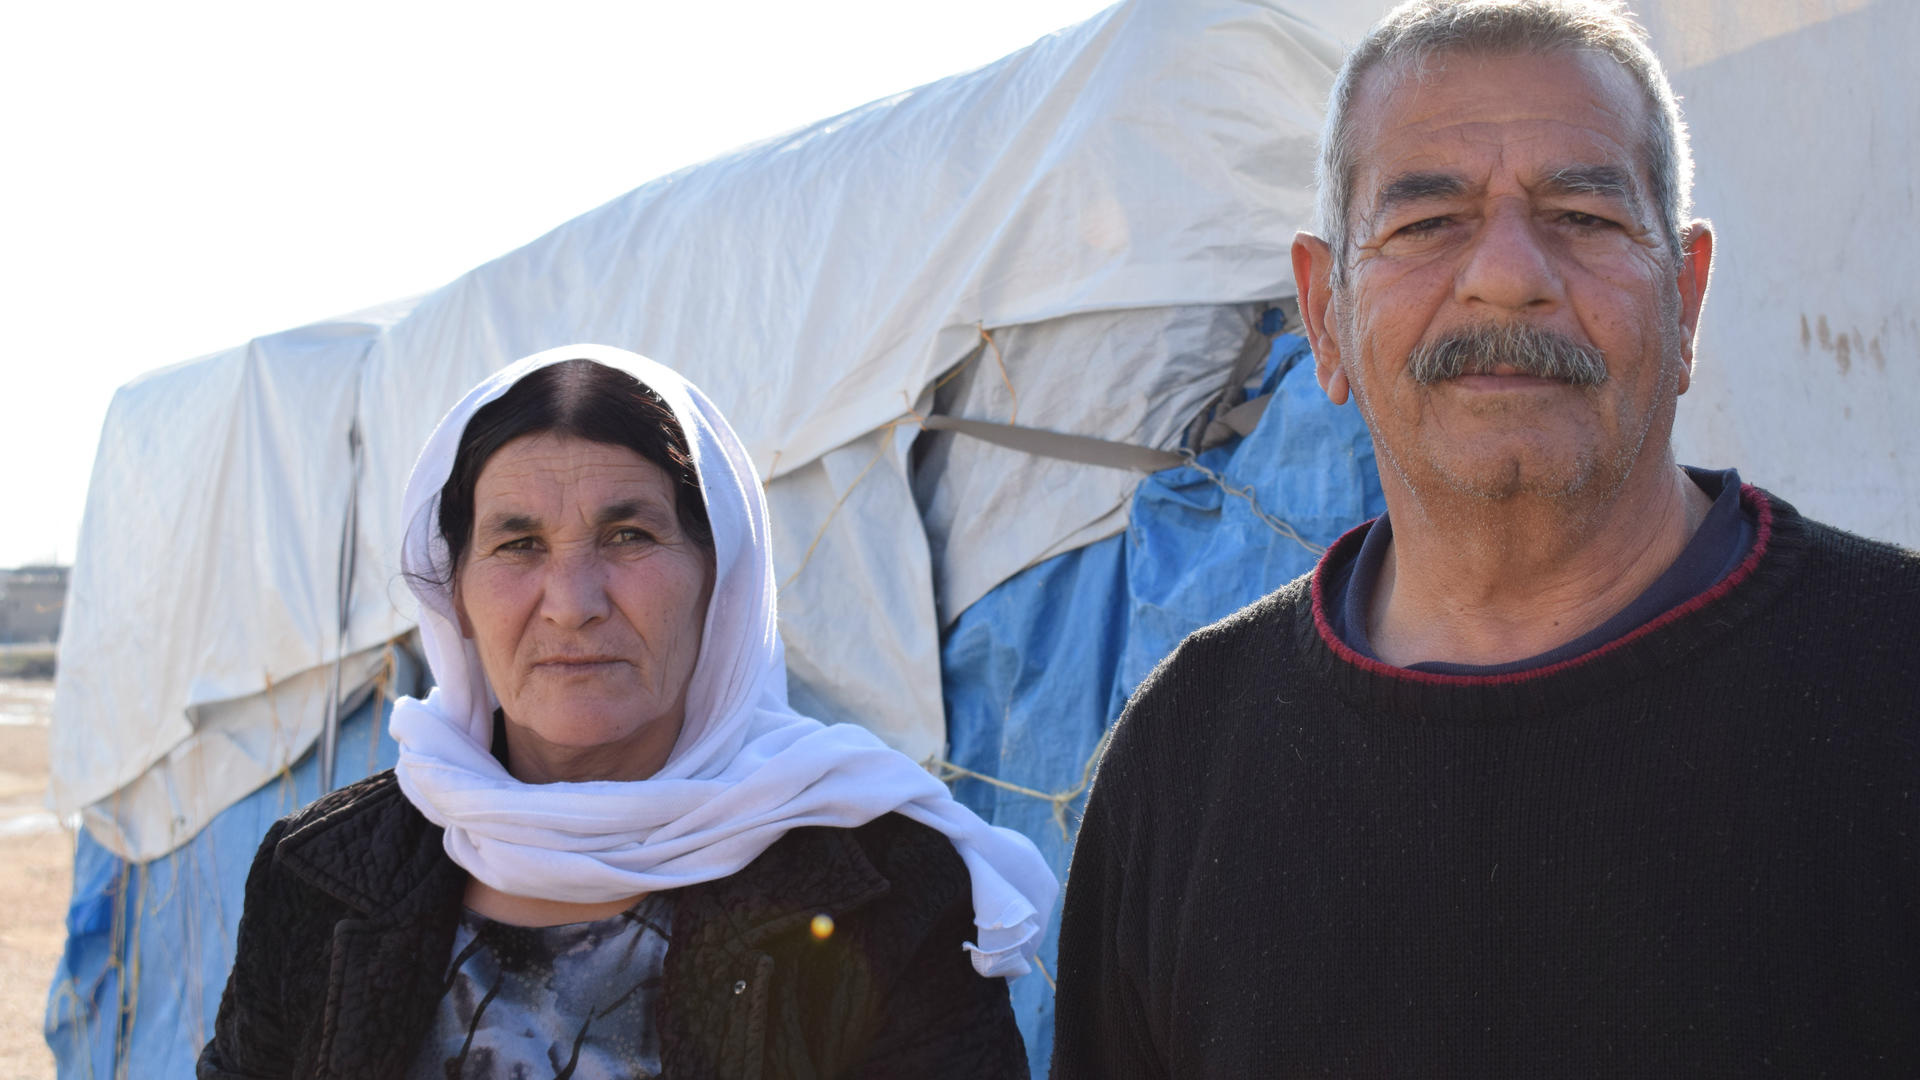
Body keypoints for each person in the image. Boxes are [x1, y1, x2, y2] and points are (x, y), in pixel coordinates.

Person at [1051, 0, 1920, 1074]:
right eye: (1427, 224)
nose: (1509, 274)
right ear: (1326, 317)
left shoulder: (1895, 682)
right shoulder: (1184, 759)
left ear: (1686, 302)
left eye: (1584, 217)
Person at [200, 345, 1053, 1079]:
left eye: (629, 536)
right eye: (518, 543)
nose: (571, 604)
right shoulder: (319, 877)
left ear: (720, 580)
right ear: (451, 592)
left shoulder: (885, 885)